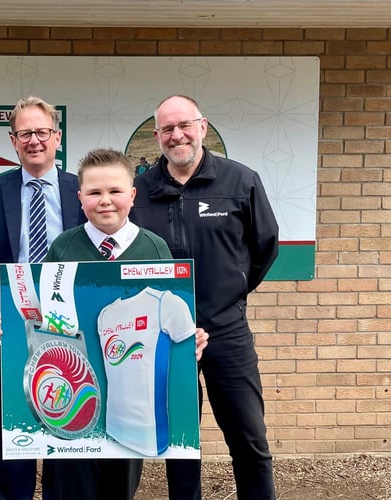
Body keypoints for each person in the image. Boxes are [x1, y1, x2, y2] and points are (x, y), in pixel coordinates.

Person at [130, 95, 279, 500]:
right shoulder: (137, 191)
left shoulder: (240, 181)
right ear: (157, 135)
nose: (176, 135)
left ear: (203, 126)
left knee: (249, 438)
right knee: (181, 443)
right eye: (166, 129)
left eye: (184, 125)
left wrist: (231, 293)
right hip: (164, 335)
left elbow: (264, 247)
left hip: (225, 329)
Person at [40, 147, 209, 500]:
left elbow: (174, 324)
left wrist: (189, 342)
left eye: (115, 191)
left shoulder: (155, 248)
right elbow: (48, 319)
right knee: (70, 488)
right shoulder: (62, 247)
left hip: (133, 411)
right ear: (80, 198)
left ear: (132, 195)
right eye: (94, 192)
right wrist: (13, 323)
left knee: (119, 488)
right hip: (76, 398)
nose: (105, 201)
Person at [0, 96, 86, 500]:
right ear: (13, 141)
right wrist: (7, 304)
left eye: (41, 132)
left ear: (57, 136)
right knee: (13, 432)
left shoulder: (80, 189)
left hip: (72, 329)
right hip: (9, 331)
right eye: (24, 133)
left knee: (65, 427)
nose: (33, 140)